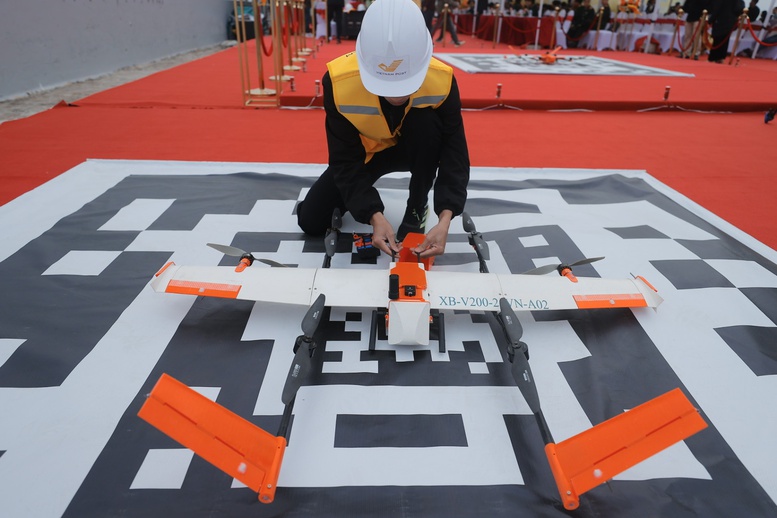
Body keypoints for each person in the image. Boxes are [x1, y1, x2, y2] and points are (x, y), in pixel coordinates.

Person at [296, 0, 470, 258]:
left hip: (417, 149)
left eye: (406, 85)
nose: (396, 96)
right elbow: (344, 159)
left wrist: (445, 219)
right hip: (368, 153)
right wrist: (373, 215)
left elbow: (455, 152)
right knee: (311, 221)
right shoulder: (338, 82)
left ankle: (417, 206)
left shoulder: (442, 80)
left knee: (426, 122)